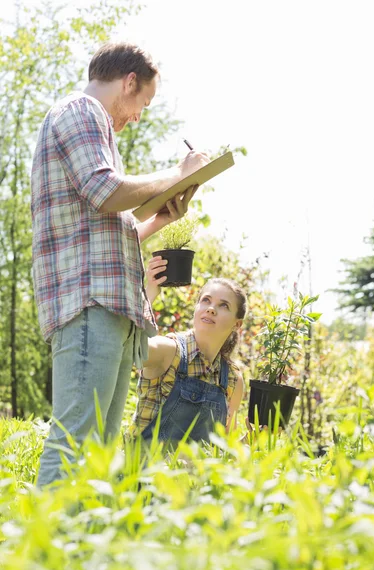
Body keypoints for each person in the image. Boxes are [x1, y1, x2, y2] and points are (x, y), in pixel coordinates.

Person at [31, 41, 209, 486]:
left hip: (106, 306)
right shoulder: (81, 110)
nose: (138, 116)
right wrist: (177, 175)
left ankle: (78, 551)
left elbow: (104, 222)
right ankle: (39, 553)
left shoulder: (95, 128)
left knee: (97, 451)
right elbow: (105, 190)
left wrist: (158, 216)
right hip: (90, 303)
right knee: (77, 441)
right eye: (143, 103)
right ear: (129, 82)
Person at [128, 256, 246, 443]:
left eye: (223, 305)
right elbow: (131, 346)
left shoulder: (232, 379)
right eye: (206, 300)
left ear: (236, 324)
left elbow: (225, 450)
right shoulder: (169, 351)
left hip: (197, 473)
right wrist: (150, 291)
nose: (211, 309)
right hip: (145, 470)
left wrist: (256, 437)